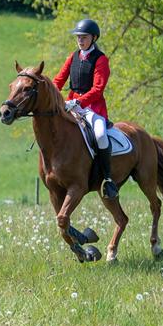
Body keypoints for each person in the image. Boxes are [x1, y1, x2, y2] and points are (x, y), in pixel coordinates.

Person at [52, 18, 118, 198]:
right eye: (78, 37)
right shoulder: (72, 57)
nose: (80, 40)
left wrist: (79, 101)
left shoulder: (101, 60)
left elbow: (98, 89)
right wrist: (49, 93)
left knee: (100, 135)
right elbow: (58, 80)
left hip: (93, 109)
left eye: (84, 37)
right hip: (71, 105)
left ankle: (107, 179)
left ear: (94, 38)